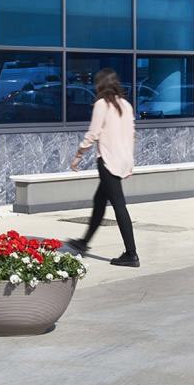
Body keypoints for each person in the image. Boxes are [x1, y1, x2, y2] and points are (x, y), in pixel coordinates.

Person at [68, 68, 139, 267]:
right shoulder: (126, 105)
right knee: (99, 200)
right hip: (122, 160)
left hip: (108, 162)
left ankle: (131, 254)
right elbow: (132, 134)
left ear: (100, 84)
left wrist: (78, 156)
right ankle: (84, 242)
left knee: (118, 205)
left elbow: (93, 133)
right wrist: (129, 162)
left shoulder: (102, 104)